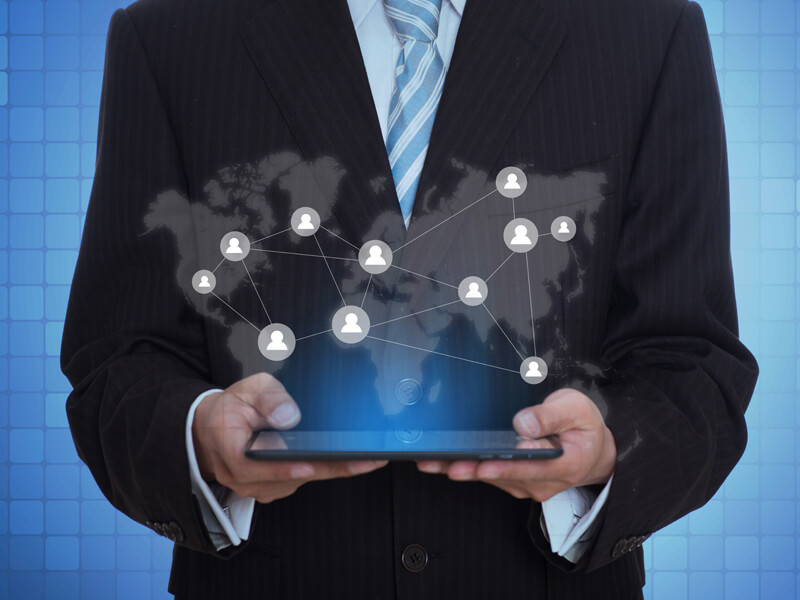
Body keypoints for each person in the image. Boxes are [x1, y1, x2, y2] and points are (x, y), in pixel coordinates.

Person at [61, 0, 758, 598]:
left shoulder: (646, 32)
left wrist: (606, 453)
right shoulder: (172, 37)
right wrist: (200, 439)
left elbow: (692, 362)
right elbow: (118, 358)